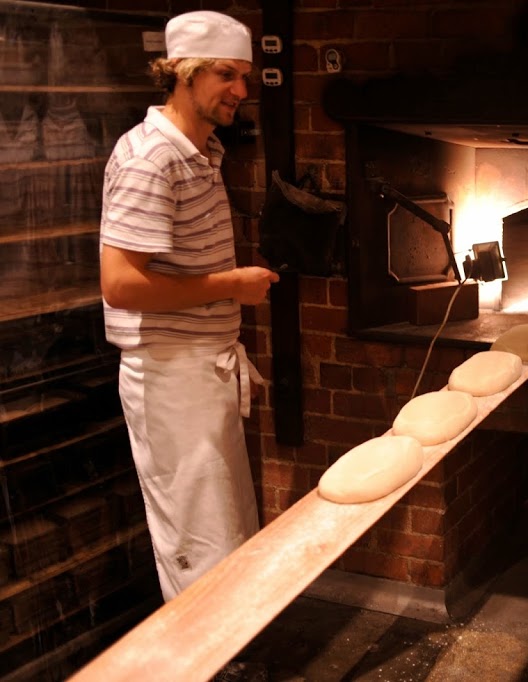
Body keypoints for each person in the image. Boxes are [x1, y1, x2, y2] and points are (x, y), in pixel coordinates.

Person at [99, 10, 279, 601]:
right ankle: (208, 663)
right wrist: (230, 285)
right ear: (180, 72)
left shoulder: (197, 150)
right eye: (226, 75)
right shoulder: (152, 158)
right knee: (199, 537)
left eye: (245, 77)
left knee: (222, 526)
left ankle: (231, 649)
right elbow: (121, 285)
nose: (241, 91)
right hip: (169, 372)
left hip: (200, 364)